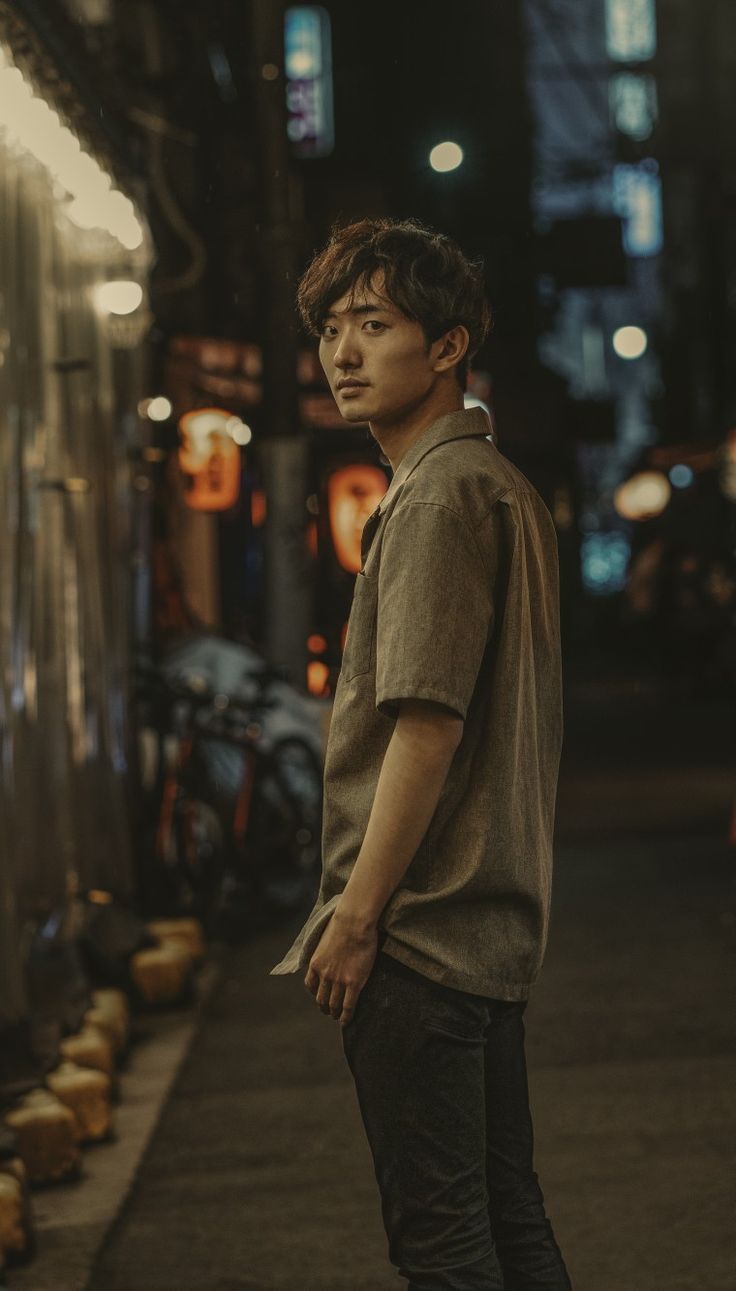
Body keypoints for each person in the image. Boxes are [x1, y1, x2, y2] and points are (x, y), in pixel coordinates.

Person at [271, 217, 572, 1290]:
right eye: (331, 328)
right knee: (505, 1218)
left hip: (423, 933)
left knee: (444, 1244)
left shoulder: (440, 495)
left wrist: (354, 920)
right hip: (481, 926)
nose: (342, 354)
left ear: (446, 347)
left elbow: (427, 725)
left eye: (376, 324)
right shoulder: (495, 483)